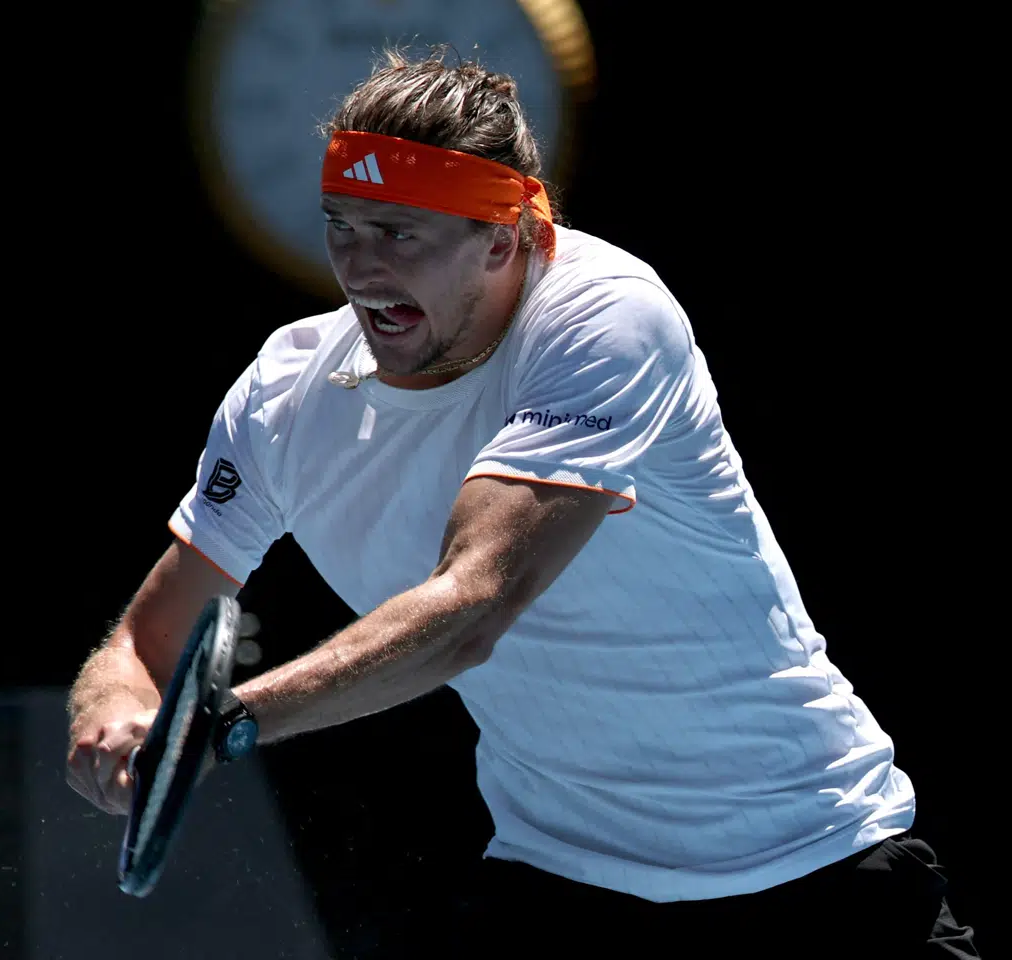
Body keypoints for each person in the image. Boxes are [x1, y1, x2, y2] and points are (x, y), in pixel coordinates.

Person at [66, 47, 979, 957]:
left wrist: (225, 723)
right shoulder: (285, 394)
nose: (361, 265)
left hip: (818, 872)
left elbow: (474, 604)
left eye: (401, 232)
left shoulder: (604, 316)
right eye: (342, 224)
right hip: (563, 890)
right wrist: (114, 719)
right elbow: (149, 639)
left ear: (501, 240)